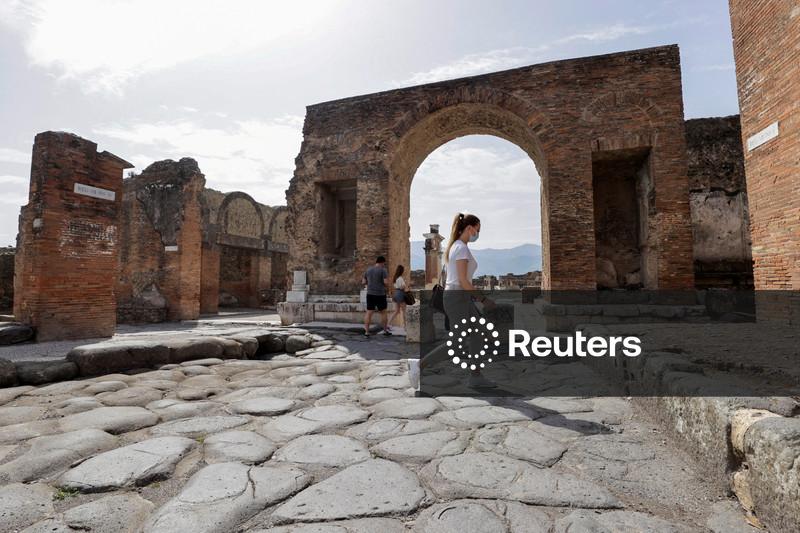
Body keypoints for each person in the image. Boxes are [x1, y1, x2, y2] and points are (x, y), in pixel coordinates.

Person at [408, 213, 496, 390]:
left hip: (460, 297)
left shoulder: (456, 246)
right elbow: (463, 280)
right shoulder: (461, 248)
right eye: (477, 229)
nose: (478, 233)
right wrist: (484, 299)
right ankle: (418, 365)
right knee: (457, 344)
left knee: (478, 334)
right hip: (457, 297)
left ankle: (476, 376)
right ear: (469, 228)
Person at [362, 256, 392, 337]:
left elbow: (363, 281)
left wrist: (370, 285)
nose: (384, 265)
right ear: (382, 262)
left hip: (370, 294)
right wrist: (387, 286)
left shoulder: (368, 269)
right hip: (380, 294)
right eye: (384, 263)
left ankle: (367, 332)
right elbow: (385, 282)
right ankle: (385, 330)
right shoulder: (383, 270)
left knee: (369, 313)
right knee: (383, 313)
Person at [389, 264, 407, 330]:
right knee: (404, 311)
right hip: (400, 294)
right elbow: (402, 287)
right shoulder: (400, 278)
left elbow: (395, 286)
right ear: (401, 271)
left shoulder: (395, 278)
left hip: (395, 294)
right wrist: (405, 284)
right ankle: (405, 327)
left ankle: (388, 324)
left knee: (396, 311)